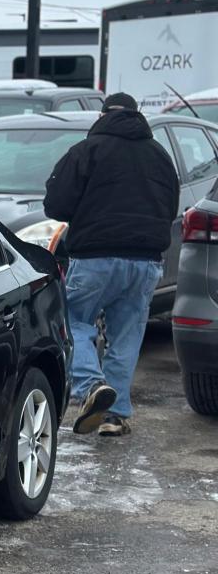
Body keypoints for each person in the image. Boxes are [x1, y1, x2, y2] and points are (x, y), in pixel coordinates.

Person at [44, 92, 179, 437]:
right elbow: (170, 208)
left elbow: (56, 205)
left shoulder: (87, 151)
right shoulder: (161, 156)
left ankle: (91, 387)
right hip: (146, 261)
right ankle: (113, 416)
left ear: (101, 116)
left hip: (95, 257)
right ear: (138, 115)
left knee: (73, 320)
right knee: (127, 336)